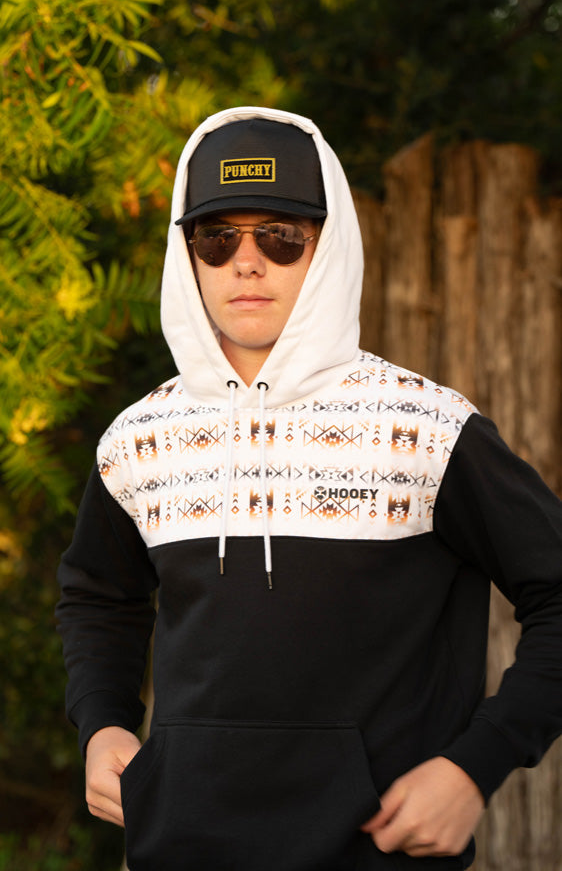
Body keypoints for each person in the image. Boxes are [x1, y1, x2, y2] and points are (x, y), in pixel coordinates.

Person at [56, 106, 562, 871]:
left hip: (374, 855)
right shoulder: (138, 439)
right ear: (187, 253)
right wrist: (102, 726)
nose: (247, 262)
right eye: (217, 237)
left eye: (282, 237)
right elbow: (98, 596)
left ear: (328, 251)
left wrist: (474, 766)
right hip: (177, 849)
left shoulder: (426, 429)